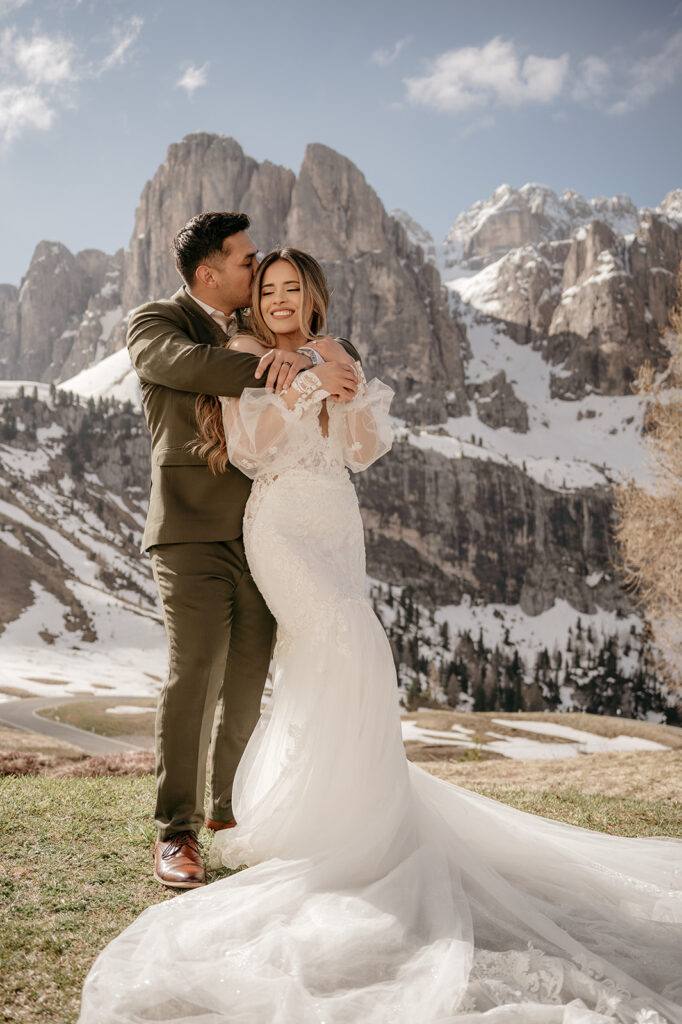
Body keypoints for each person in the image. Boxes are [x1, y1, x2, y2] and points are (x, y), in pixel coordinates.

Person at [81, 249, 681, 1023]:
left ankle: (341, 809)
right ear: (254, 304)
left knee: (338, 659)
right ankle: (295, 823)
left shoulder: (339, 352)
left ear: (313, 296)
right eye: (268, 289)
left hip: (337, 522)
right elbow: (253, 451)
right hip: (281, 524)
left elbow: (362, 451)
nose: (281, 298)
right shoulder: (243, 356)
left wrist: (347, 392)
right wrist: (302, 387)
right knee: (346, 640)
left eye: (293, 287)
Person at [127, 214, 360, 889]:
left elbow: (333, 353)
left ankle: (232, 815)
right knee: (195, 670)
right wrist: (291, 366)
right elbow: (191, 367)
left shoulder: (261, 332)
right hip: (190, 531)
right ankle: (178, 830)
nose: (257, 272)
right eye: (246, 260)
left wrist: (311, 356)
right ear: (210, 272)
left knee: (249, 683)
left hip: (264, 531)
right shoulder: (157, 322)